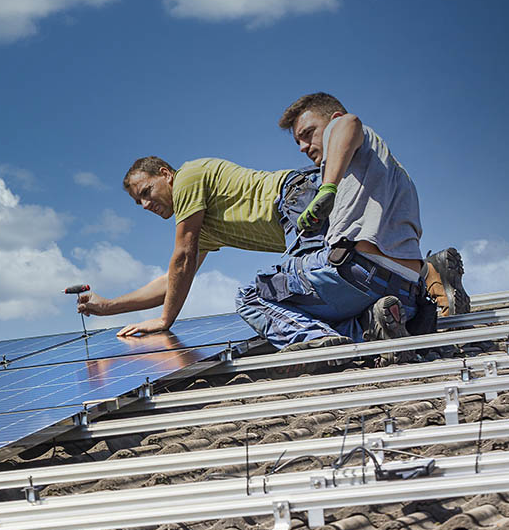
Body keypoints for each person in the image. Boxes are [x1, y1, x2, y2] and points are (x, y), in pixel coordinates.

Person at [234, 92, 466, 355]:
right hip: (406, 295)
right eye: (298, 141)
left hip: (357, 274)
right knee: (334, 313)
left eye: (308, 133)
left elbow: (349, 123)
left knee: (252, 294)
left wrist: (328, 188)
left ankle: (318, 343)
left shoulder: (347, 131)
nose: (302, 146)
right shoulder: (392, 172)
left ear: (332, 119)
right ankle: (372, 326)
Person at [77, 156, 321, 336]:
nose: (144, 204)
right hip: (299, 224)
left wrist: (165, 320)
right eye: (137, 201)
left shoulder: (187, 178)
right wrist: (107, 307)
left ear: (166, 174)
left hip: (300, 198)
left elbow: (183, 257)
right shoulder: (202, 228)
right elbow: (172, 282)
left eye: (146, 191)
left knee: (271, 294)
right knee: (311, 292)